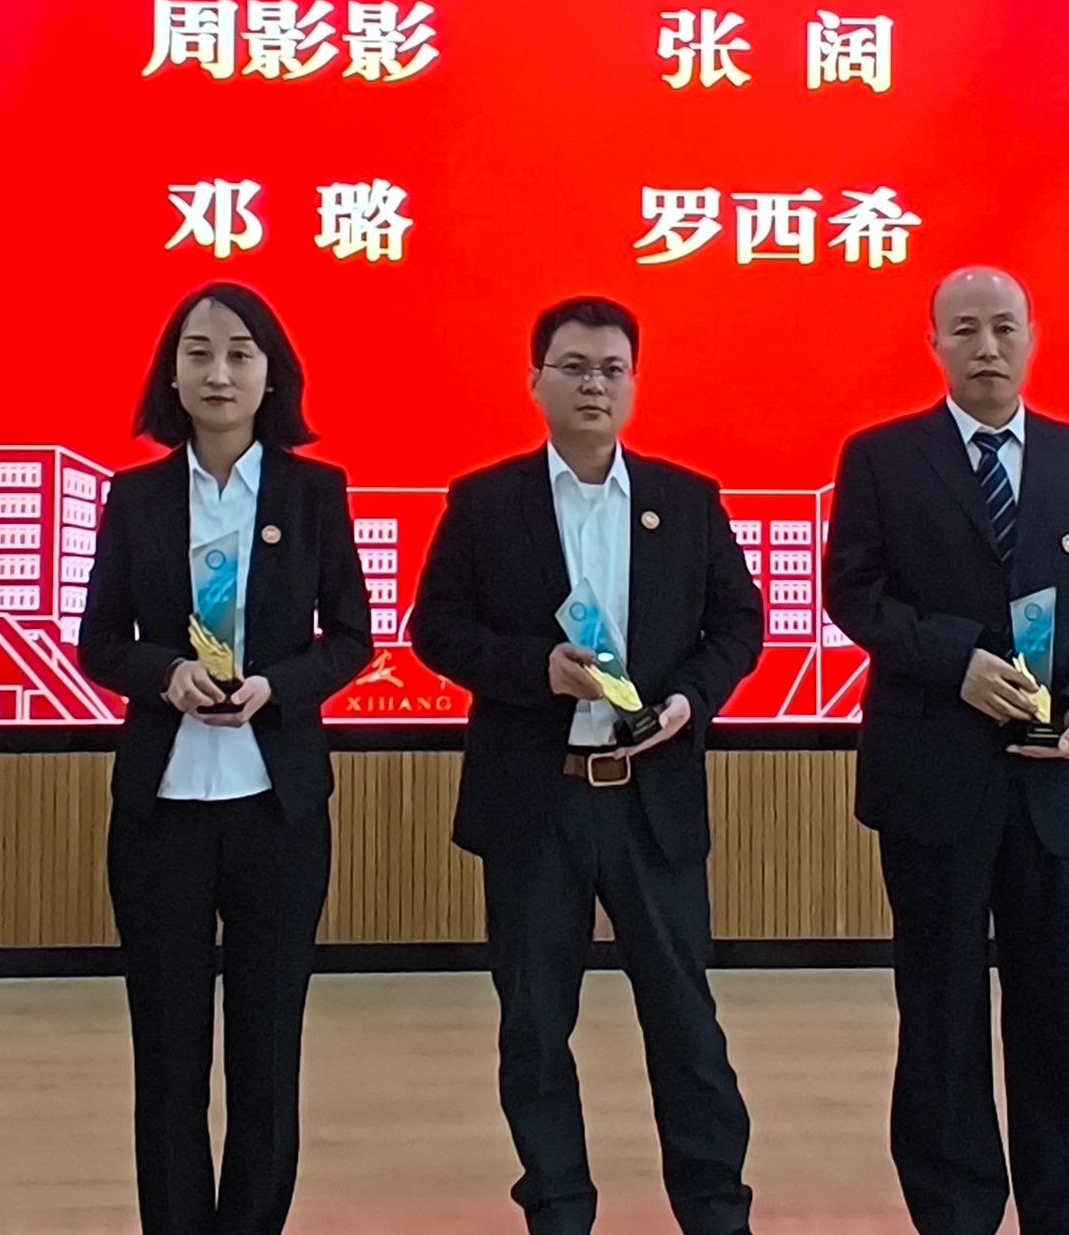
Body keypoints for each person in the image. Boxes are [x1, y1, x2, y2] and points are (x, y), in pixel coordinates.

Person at [409, 296, 765, 1235]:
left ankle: (716, 1211)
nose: (593, 384)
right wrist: (536, 669)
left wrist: (687, 701)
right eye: (573, 367)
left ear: (634, 384)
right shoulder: (485, 503)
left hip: (653, 797)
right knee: (534, 1027)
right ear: (535, 382)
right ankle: (559, 1209)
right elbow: (434, 629)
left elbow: (739, 625)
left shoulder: (685, 501)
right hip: (538, 802)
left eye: (612, 369)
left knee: (685, 1021)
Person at [825, 267, 1069, 1235]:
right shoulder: (883, 458)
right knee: (941, 1007)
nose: (986, 347)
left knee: (1057, 1007)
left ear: (1033, 337)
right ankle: (955, 1207)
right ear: (932, 344)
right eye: (964, 330)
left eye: (1004, 327)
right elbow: (855, 592)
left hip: (1059, 779)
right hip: (934, 772)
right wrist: (956, 662)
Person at [75, 283, 374, 1235]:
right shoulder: (138, 497)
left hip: (275, 807)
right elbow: (98, 641)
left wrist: (277, 686)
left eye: (241, 352)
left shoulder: (313, 494)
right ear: (171, 374)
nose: (218, 372)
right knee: (167, 1051)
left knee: (266, 1047)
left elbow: (352, 638)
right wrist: (164, 673)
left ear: (271, 374)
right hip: (160, 808)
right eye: (198, 352)